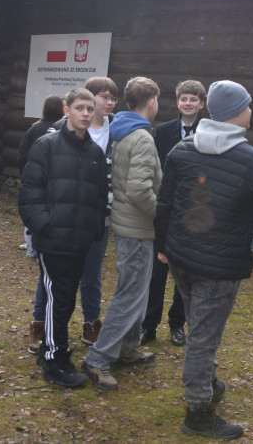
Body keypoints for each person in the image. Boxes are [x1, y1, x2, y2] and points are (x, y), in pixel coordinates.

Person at [155, 80, 253, 439]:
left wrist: (162, 245)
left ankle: (207, 382)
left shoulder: (182, 150)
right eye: (249, 105)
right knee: (203, 338)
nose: (252, 111)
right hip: (218, 267)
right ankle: (199, 412)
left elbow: (165, 205)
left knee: (199, 327)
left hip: (181, 257)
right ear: (237, 112)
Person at [19, 88, 108, 388]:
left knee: (67, 298)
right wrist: (44, 225)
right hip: (53, 240)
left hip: (80, 241)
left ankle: (50, 349)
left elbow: (98, 198)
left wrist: (93, 230)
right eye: (80, 108)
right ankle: (55, 360)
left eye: (90, 108)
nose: (85, 113)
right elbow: (30, 193)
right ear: (66, 110)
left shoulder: (95, 152)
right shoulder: (46, 146)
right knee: (58, 298)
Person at [82, 77, 162, 391]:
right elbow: (140, 191)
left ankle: (127, 347)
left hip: (131, 225)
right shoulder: (140, 137)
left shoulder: (123, 129)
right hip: (137, 226)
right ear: (151, 101)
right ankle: (98, 358)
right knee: (130, 294)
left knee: (136, 290)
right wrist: (163, 215)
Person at [30, 77, 117, 348]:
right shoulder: (53, 134)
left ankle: (91, 323)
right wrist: (45, 221)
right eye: (103, 96)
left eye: (112, 97)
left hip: (93, 218)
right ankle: (41, 325)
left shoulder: (114, 134)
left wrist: (103, 214)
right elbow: (36, 183)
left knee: (91, 275)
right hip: (60, 220)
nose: (108, 102)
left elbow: (106, 182)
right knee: (53, 279)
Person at [142, 79, 206, 347]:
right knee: (157, 269)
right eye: (183, 99)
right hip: (166, 208)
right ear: (177, 101)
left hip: (196, 209)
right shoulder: (164, 130)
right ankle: (149, 324)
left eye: (193, 99)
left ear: (201, 104)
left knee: (186, 271)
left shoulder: (209, 131)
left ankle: (177, 323)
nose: (188, 103)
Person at [18, 95, 64, 175]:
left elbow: (23, 154)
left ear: (45, 107)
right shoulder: (66, 128)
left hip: (36, 174)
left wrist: (25, 175)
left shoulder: (34, 129)